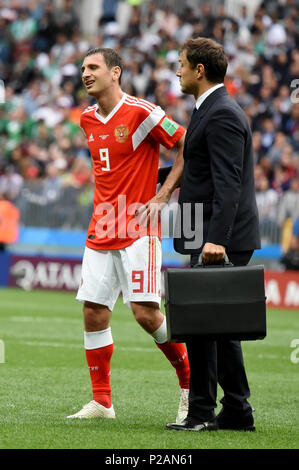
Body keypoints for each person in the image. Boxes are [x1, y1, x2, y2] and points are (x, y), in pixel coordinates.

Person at [67, 48, 190, 421]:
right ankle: (102, 402)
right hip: (101, 225)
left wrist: (164, 194)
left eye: (93, 67)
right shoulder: (87, 118)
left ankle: (191, 383)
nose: (85, 74)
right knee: (93, 311)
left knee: (146, 314)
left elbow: (185, 144)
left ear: (115, 72)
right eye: (83, 68)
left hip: (138, 226)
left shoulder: (142, 112)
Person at [163, 37, 261, 432]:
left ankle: (202, 412)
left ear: (199, 70)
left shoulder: (220, 114)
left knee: (203, 323)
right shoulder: (209, 108)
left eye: (182, 64)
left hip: (220, 237)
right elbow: (201, 171)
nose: (177, 71)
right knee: (219, 327)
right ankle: (237, 411)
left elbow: (229, 184)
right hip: (211, 233)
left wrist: (217, 239)